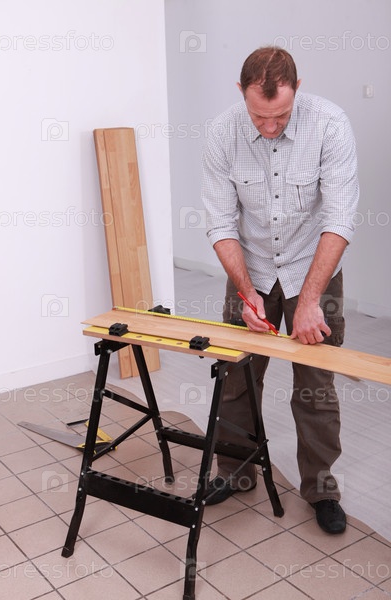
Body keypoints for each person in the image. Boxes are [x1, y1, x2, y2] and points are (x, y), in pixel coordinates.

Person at [201, 46, 359, 534]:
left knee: (315, 386)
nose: (270, 127)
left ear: (297, 89)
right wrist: (246, 292)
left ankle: (321, 489)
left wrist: (309, 301)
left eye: (282, 116)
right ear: (240, 92)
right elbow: (221, 223)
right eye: (259, 117)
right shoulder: (221, 132)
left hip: (314, 267)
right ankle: (235, 471)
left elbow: (339, 219)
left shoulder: (330, 124)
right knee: (236, 378)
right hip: (250, 266)